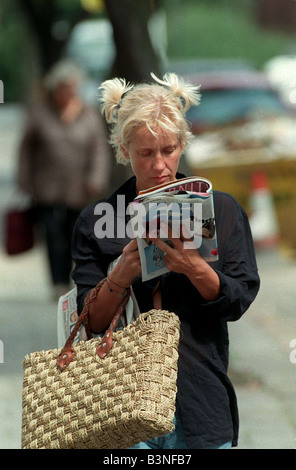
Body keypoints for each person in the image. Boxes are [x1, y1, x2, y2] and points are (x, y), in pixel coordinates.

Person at [71, 72, 260, 449]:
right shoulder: (98, 220)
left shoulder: (220, 209)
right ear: (124, 150)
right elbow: (88, 322)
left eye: (169, 150)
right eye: (145, 153)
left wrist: (194, 267)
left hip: (200, 400)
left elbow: (238, 299)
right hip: (121, 403)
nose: (159, 165)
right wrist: (120, 276)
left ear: (183, 144)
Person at [17, 60, 112, 300]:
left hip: (78, 189)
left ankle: (73, 279)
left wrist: (96, 178)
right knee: (52, 235)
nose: (68, 94)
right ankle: (57, 282)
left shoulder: (88, 115)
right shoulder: (40, 112)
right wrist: (24, 179)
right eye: (64, 88)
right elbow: (26, 148)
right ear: (55, 89)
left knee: (74, 236)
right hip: (45, 187)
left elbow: (100, 150)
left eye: (72, 88)